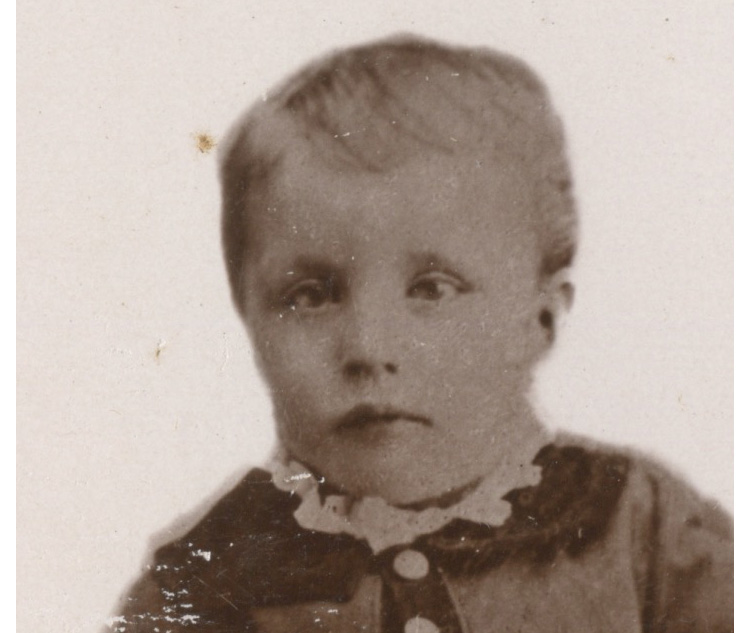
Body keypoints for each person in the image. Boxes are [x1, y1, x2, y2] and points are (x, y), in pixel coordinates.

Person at [108, 35, 732, 632]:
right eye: (310, 296)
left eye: (433, 289)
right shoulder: (203, 579)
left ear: (539, 321)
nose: (369, 349)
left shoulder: (644, 532)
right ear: (249, 320)